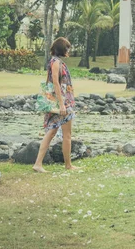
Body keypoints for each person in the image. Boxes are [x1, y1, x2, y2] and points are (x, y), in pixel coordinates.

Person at [33, 37, 79, 173]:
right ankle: (64, 165)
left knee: (56, 132)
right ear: (62, 49)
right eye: (67, 48)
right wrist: (62, 105)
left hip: (62, 102)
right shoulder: (56, 63)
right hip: (62, 103)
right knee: (64, 134)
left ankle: (62, 164)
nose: (68, 50)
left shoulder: (56, 62)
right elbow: (56, 84)